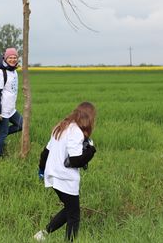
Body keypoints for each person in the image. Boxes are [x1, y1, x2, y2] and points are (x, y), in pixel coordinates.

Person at [34, 102, 97, 242]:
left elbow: (46, 152)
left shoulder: (61, 126)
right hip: (65, 178)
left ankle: (42, 235)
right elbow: (75, 161)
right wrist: (91, 151)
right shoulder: (76, 132)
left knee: (70, 209)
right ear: (88, 117)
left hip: (53, 175)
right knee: (74, 216)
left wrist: (41, 170)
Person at [0, 48, 23, 157]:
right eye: (10, 57)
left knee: (22, 125)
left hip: (11, 109)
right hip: (2, 109)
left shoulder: (14, 71)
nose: (13, 59)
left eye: (15, 57)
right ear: (5, 58)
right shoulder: (0, 73)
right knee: (3, 134)